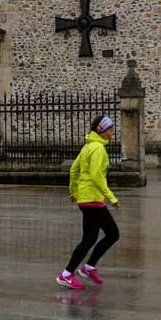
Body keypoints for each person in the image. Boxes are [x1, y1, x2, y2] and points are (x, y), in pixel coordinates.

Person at [58, 115, 120, 290]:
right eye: (110, 130)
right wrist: (111, 197)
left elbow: (74, 170)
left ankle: (81, 270)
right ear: (102, 131)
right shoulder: (98, 149)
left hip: (86, 199)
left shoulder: (87, 147)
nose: (112, 133)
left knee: (90, 238)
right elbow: (96, 176)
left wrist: (74, 192)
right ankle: (73, 272)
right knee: (113, 234)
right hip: (93, 199)